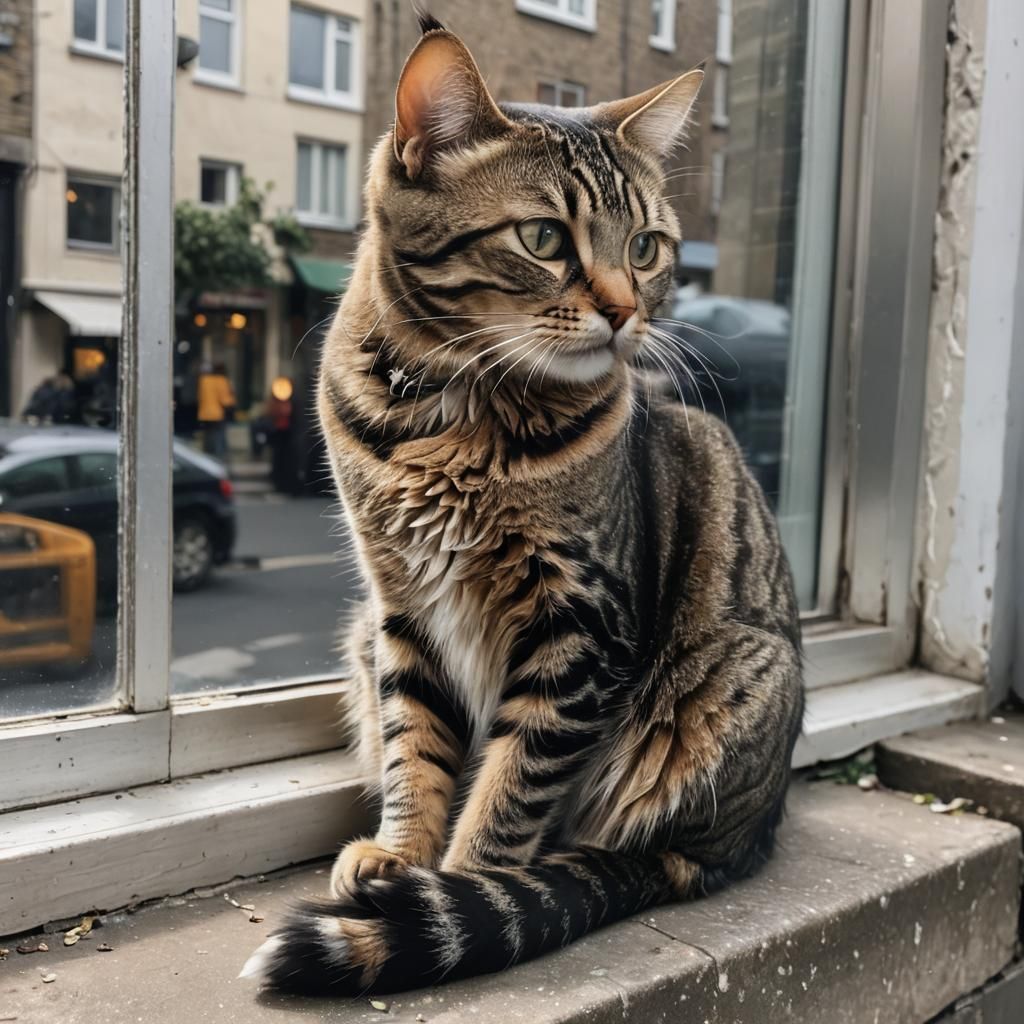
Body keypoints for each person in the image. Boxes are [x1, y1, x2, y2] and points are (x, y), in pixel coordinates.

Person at [197, 362, 235, 458]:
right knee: (219, 436)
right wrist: (233, 401)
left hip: (204, 413)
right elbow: (225, 400)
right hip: (217, 413)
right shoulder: (221, 380)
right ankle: (218, 458)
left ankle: (206, 457)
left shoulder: (203, 380)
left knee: (208, 436)